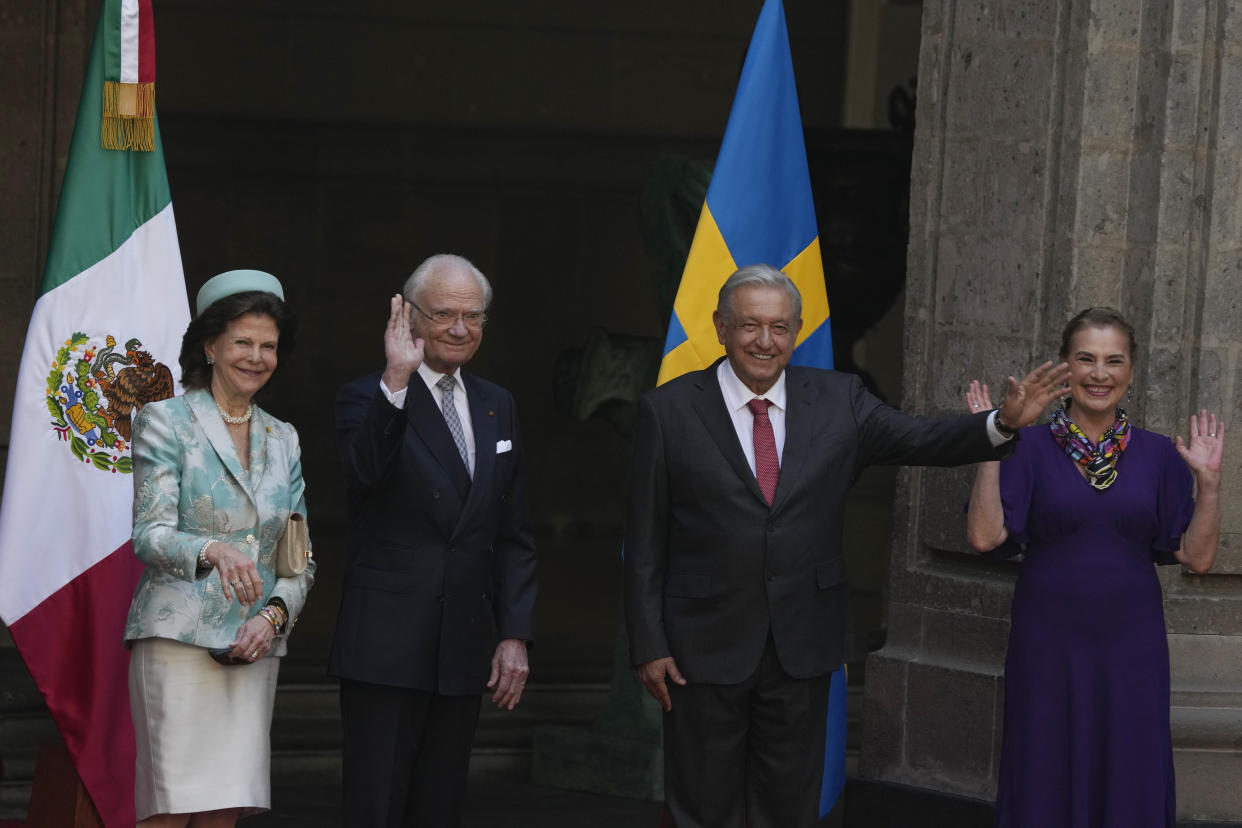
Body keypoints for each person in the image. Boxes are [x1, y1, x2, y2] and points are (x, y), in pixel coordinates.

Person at [624, 263, 1070, 828]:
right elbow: (643, 542)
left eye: (781, 328)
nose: (766, 341)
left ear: (799, 330)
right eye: (750, 326)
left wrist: (1000, 423)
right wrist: (648, 642)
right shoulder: (667, 411)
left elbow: (919, 438)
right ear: (719, 326)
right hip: (700, 644)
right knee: (702, 805)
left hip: (803, 641)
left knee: (789, 804)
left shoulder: (840, 399)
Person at [964, 307, 1224, 828]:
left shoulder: (1160, 455)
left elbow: (1197, 557)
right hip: (1048, 639)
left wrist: (1209, 485)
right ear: (1064, 367)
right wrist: (990, 444)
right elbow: (984, 536)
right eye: (1085, 359)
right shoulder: (1027, 447)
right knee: (1043, 758)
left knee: (1130, 763)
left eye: (1113, 360)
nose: (1099, 374)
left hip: (1131, 642)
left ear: (1131, 370)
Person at [329, 253, 537, 827]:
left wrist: (514, 633)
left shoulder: (498, 405)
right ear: (409, 315)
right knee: (376, 805)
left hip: (463, 643)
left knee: (439, 807)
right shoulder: (366, 395)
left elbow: (513, 532)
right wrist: (394, 380)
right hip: (386, 644)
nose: (459, 328)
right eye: (444, 313)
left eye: (473, 316)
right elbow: (363, 475)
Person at [125, 269, 315, 826]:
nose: (256, 357)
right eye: (242, 342)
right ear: (209, 345)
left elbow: (298, 557)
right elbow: (149, 534)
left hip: (252, 644)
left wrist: (274, 617)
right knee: (171, 807)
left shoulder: (284, 438)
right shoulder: (166, 421)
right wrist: (214, 549)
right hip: (177, 641)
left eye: (269, 346)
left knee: (224, 810)